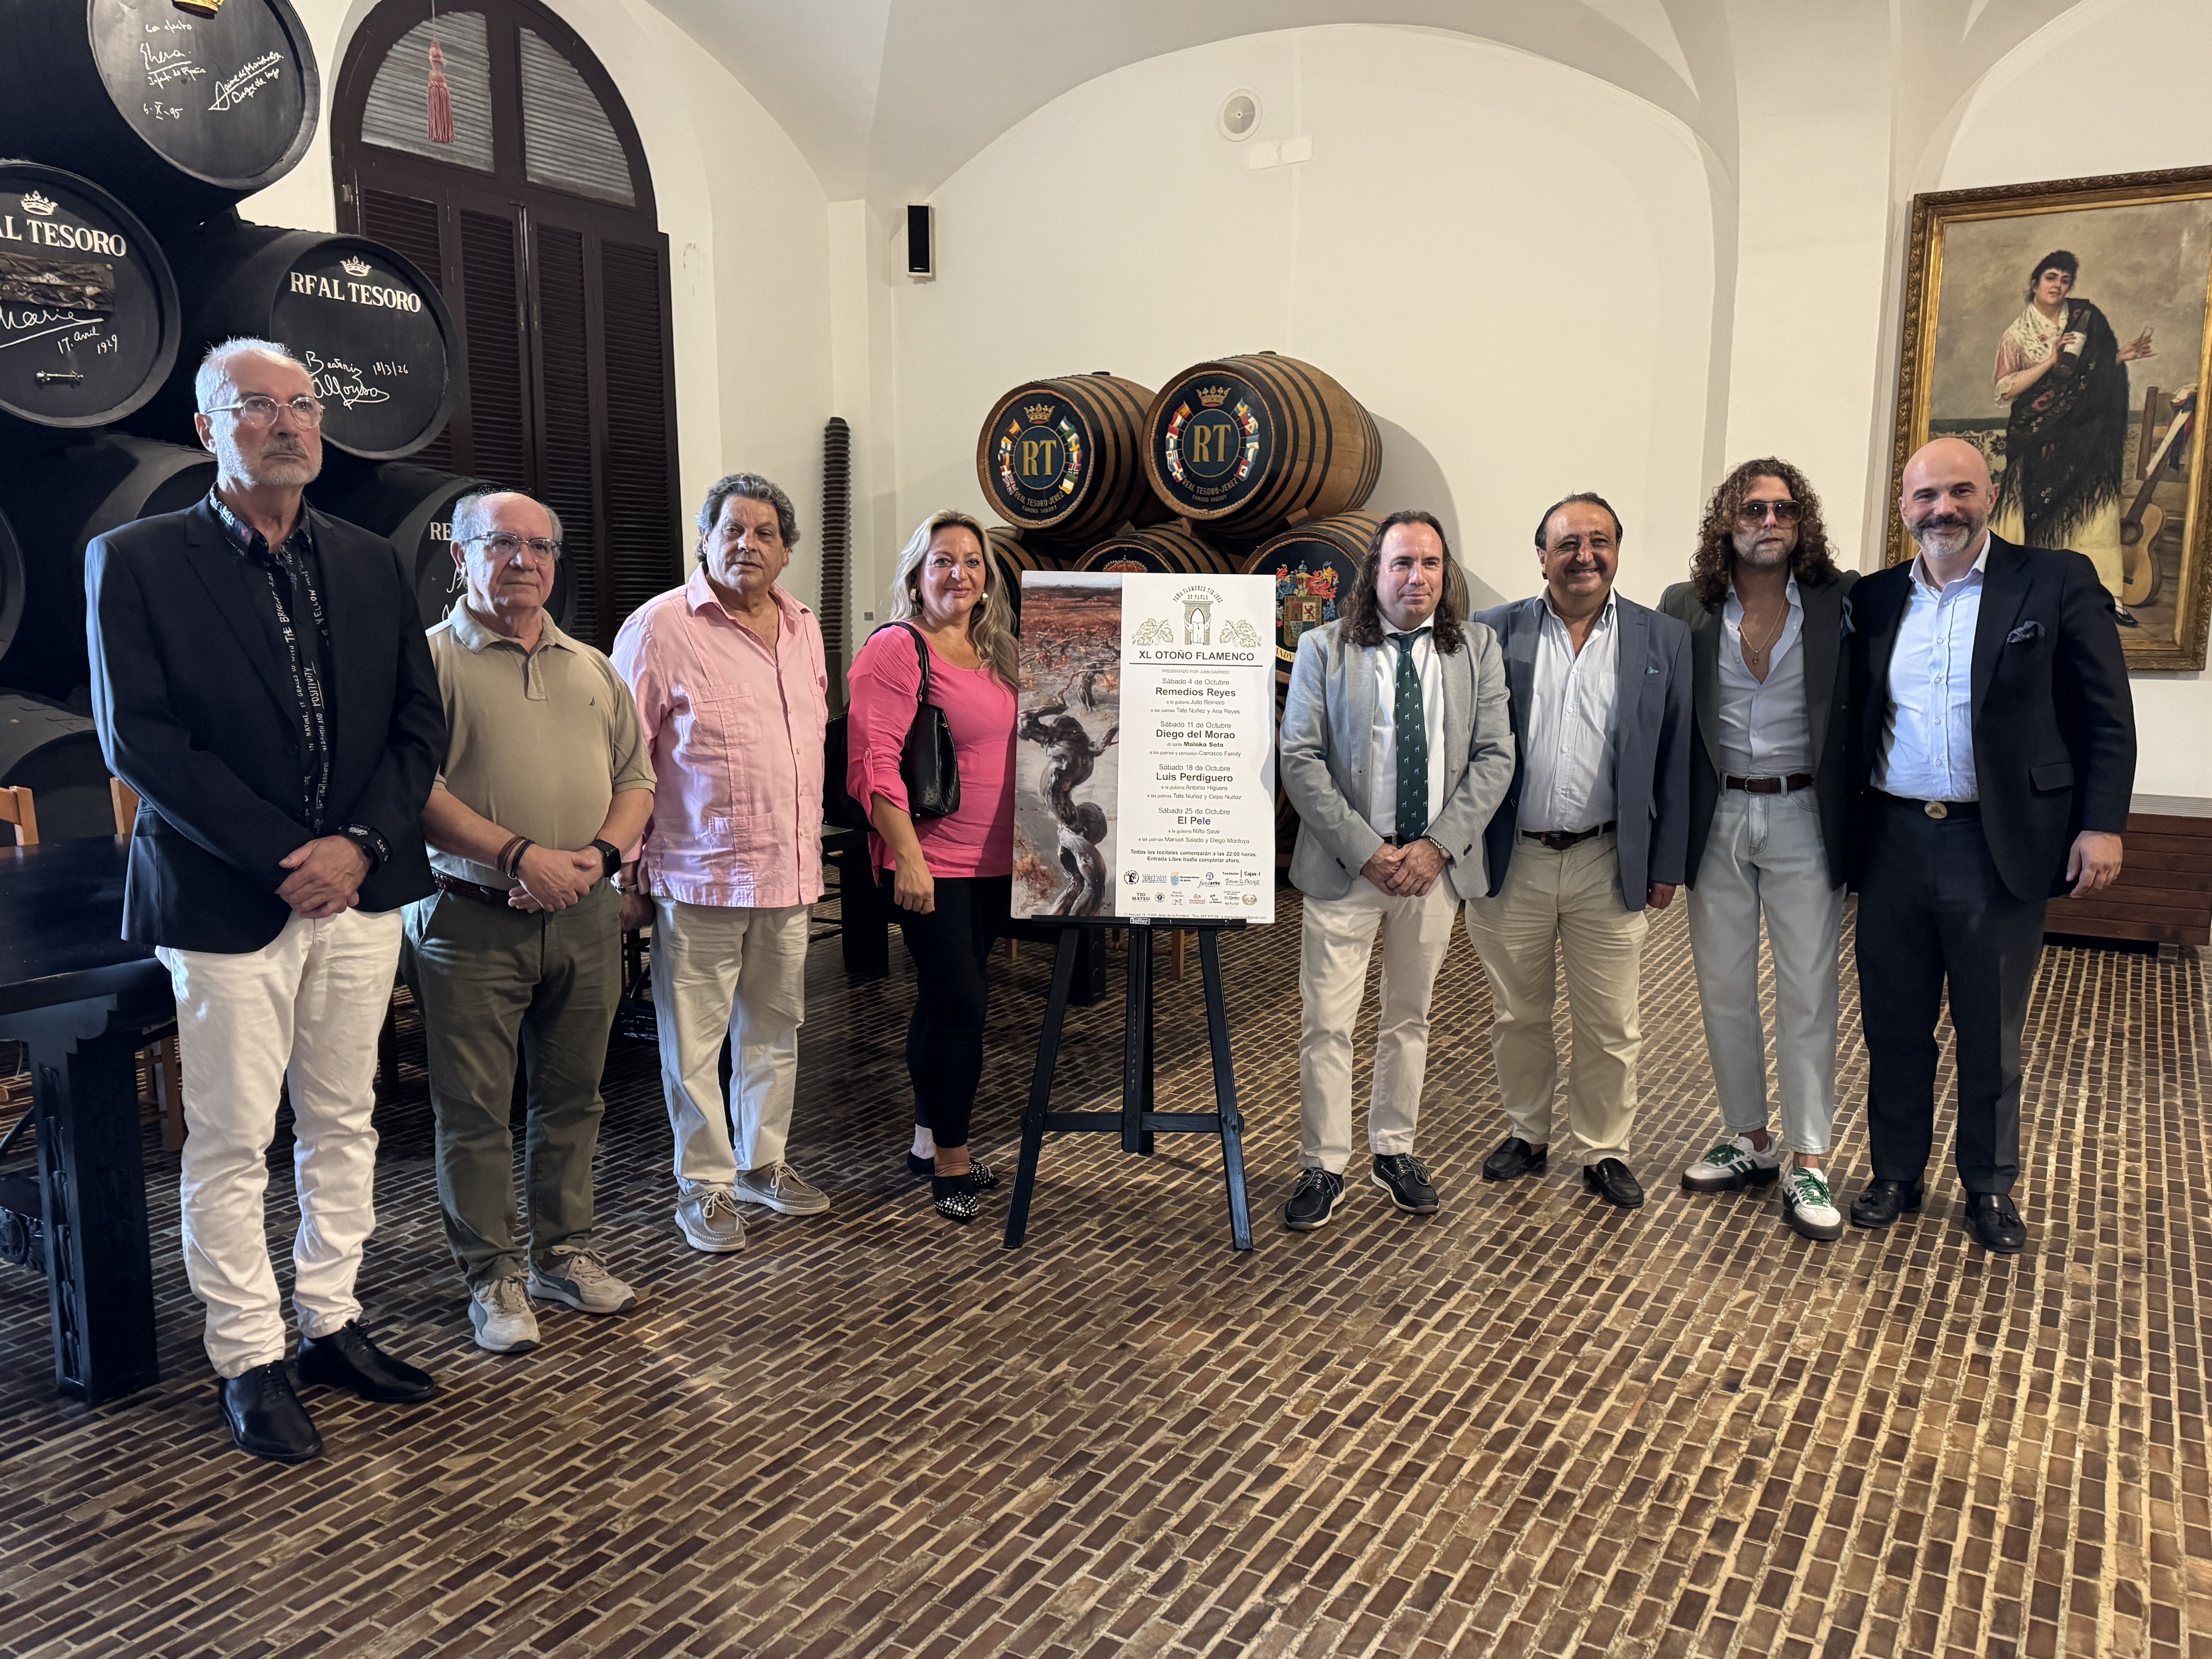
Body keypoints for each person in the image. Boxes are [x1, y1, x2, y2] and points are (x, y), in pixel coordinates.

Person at [85, 338, 445, 1463]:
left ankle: (331, 1319)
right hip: (223, 898)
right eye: (257, 407)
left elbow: (417, 727)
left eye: (304, 405)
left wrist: (364, 846)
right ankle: (247, 1354)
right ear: (207, 430)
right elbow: (142, 741)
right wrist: (294, 854)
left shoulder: (373, 563)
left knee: (345, 1120)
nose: (289, 424)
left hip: (363, 891)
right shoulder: (133, 560)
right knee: (234, 1139)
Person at [1845, 437, 2135, 1254]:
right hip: (1895, 841)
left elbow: (2106, 716)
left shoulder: (2054, 580)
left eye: (1960, 492)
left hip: (1997, 845)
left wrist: (2103, 822)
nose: (1944, 509)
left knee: (1990, 1032)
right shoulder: (1872, 601)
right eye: (1926, 497)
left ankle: (1989, 1185)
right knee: (1893, 1026)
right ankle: (1897, 1171)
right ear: (1903, 509)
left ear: (1992, 494)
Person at [406, 490, 656, 1352]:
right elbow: (415, 792)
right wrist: (521, 857)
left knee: (573, 1097)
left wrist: (598, 860)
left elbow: (637, 781)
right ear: (461, 556)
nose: (523, 561)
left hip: (586, 913)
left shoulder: (592, 665)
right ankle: (493, 1274)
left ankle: (565, 1251)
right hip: (471, 920)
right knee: (475, 1109)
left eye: (539, 546)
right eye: (501, 544)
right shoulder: (428, 661)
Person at [612, 474, 833, 1257]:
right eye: (732, 530)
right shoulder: (659, 628)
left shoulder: (805, 627)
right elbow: (623, 755)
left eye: (766, 533)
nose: (748, 545)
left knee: (776, 1028)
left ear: (786, 550)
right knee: (695, 1041)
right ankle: (702, 1185)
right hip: (697, 876)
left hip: (789, 873)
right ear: (703, 539)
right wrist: (626, 869)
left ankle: (762, 1165)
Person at [1276, 511, 1515, 1231]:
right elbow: (1301, 757)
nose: (1418, 578)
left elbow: (1494, 757)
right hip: (1349, 866)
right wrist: (1367, 849)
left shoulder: (1477, 649)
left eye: (1431, 564)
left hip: (1431, 870)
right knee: (1327, 1022)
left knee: (1408, 1017)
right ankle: (1322, 1161)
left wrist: (1436, 846)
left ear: (1447, 574)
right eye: (1402, 563)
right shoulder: (1324, 647)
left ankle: (1394, 1149)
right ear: (1374, 572)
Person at [1467, 493, 1690, 1209]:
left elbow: (1676, 757)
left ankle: (1603, 1147)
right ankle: (1526, 1133)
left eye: (1598, 540)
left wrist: (1664, 862)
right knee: (1516, 1013)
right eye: (1567, 543)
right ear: (1542, 556)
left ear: (1617, 551)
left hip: (1606, 858)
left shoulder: (1662, 639)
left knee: (1611, 1020)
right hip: (1515, 857)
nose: (1583, 554)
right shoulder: (1490, 635)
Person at [1659, 460, 1856, 1242]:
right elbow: (1669, 720)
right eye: (1752, 509)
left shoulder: (1840, 602)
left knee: (1808, 991)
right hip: (1720, 816)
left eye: (1782, 509)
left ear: (1800, 522)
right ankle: (1749, 1137)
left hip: (1805, 812)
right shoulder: (1689, 607)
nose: (1768, 521)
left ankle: (1810, 1156)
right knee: (1723, 987)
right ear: (1727, 522)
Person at [845, 510, 1019, 1225]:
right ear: (917, 575)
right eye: (942, 560)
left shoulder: (999, 648)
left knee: (948, 1002)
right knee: (962, 1006)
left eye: (972, 561)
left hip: (1002, 860)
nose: (960, 574)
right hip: (935, 862)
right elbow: (872, 762)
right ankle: (951, 1159)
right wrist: (907, 857)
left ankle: (926, 1139)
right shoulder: (896, 648)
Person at [1990, 249, 2155, 623]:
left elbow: (2086, 377)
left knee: (2094, 514)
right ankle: (2019, 596)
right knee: (2031, 518)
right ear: (2035, 283)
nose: (2058, 286)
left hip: (2084, 436)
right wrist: (2049, 361)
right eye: (2051, 278)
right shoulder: (2016, 334)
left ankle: (2106, 596)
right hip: (2037, 438)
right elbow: (2005, 390)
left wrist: (2119, 357)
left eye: (2065, 280)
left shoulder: (2085, 319)